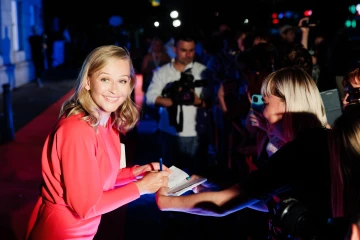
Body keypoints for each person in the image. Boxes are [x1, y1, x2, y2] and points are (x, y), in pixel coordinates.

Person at [156, 67, 332, 240]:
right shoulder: (318, 140)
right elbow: (266, 200)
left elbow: (221, 205)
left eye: (266, 103)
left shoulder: (298, 151)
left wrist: (166, 202)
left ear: (288, 103)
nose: (262, 112)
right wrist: (218, 188)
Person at [25, 45, 171, 240]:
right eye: (105, 79)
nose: (114, 89)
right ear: (87, 81)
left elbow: (101, 177)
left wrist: (139, 172)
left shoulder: (108, 123)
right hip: (61, 232)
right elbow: (86, 206)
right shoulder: (77, 130)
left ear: (130, 85)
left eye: (122, 81)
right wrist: (142, 187)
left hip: (83, 230)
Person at [145, 31, 212, 175]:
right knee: (170, 177)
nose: (187, 54)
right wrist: (172, 100)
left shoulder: (203, 72)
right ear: (175, 49)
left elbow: (211, 102)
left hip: (196, 133)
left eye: (191, 50)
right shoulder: (162, 72)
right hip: (169, 132)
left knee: (197, 177)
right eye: (183, 50)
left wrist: (197, 101)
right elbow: (149, 98)